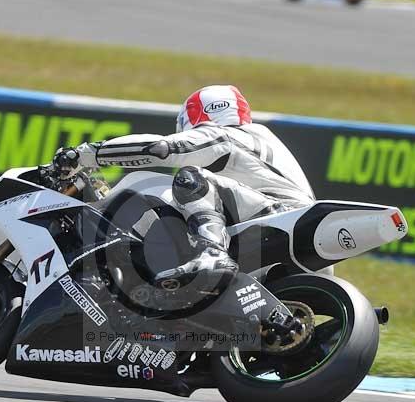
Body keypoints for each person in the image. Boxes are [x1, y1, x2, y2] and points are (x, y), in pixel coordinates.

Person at [54, 84, 315, 289]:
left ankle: (212, 251)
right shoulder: (259, 145)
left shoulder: (227, 135)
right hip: (292, 237)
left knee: (191, 178)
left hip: (279, 220)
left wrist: (86, 154)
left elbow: (161, 149)